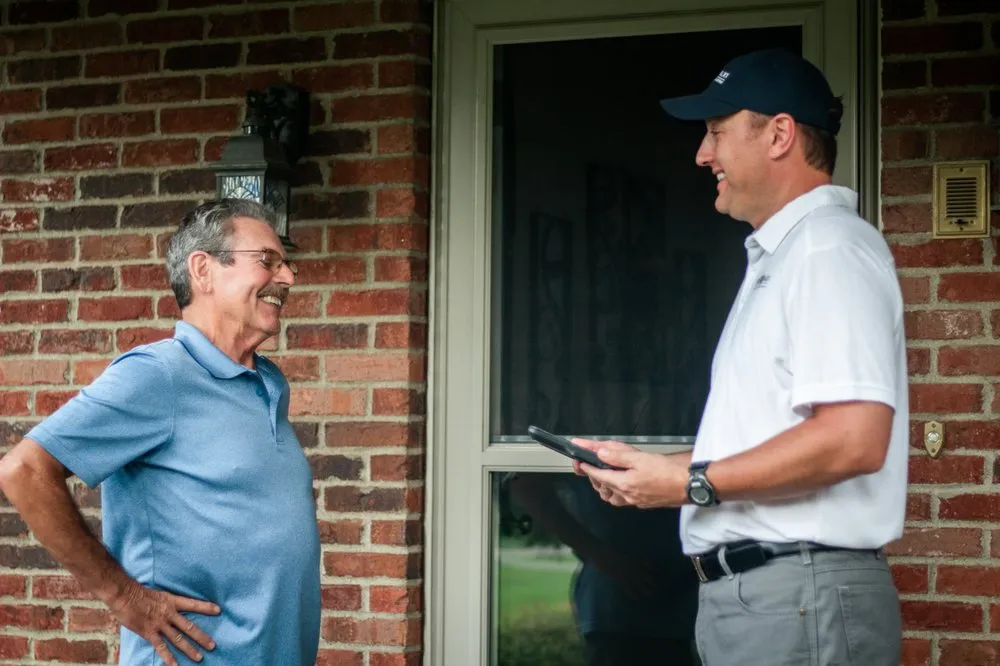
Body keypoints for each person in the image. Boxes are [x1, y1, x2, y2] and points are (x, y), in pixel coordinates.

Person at [571, 48, 908, 666]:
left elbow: (855, 438)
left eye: (716, 131)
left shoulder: (826, 250)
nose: (703, 154)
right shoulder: (783, 257)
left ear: (779, 134)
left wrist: (690, 482)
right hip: (771, 597)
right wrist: (653, 472)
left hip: (798, 598)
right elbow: (773, 436)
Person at [0, 199, 320, 666]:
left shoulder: (268, 381)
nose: (288, 277)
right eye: (268, 261)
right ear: (203, 270)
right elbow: (24, 471)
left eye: (286, 264)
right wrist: (125, 597)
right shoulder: (158, 375)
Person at [506, 472, 700, 666]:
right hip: (621, 605)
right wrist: (601, 555)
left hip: (686, 601)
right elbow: (525, 484)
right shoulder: (590, 443)